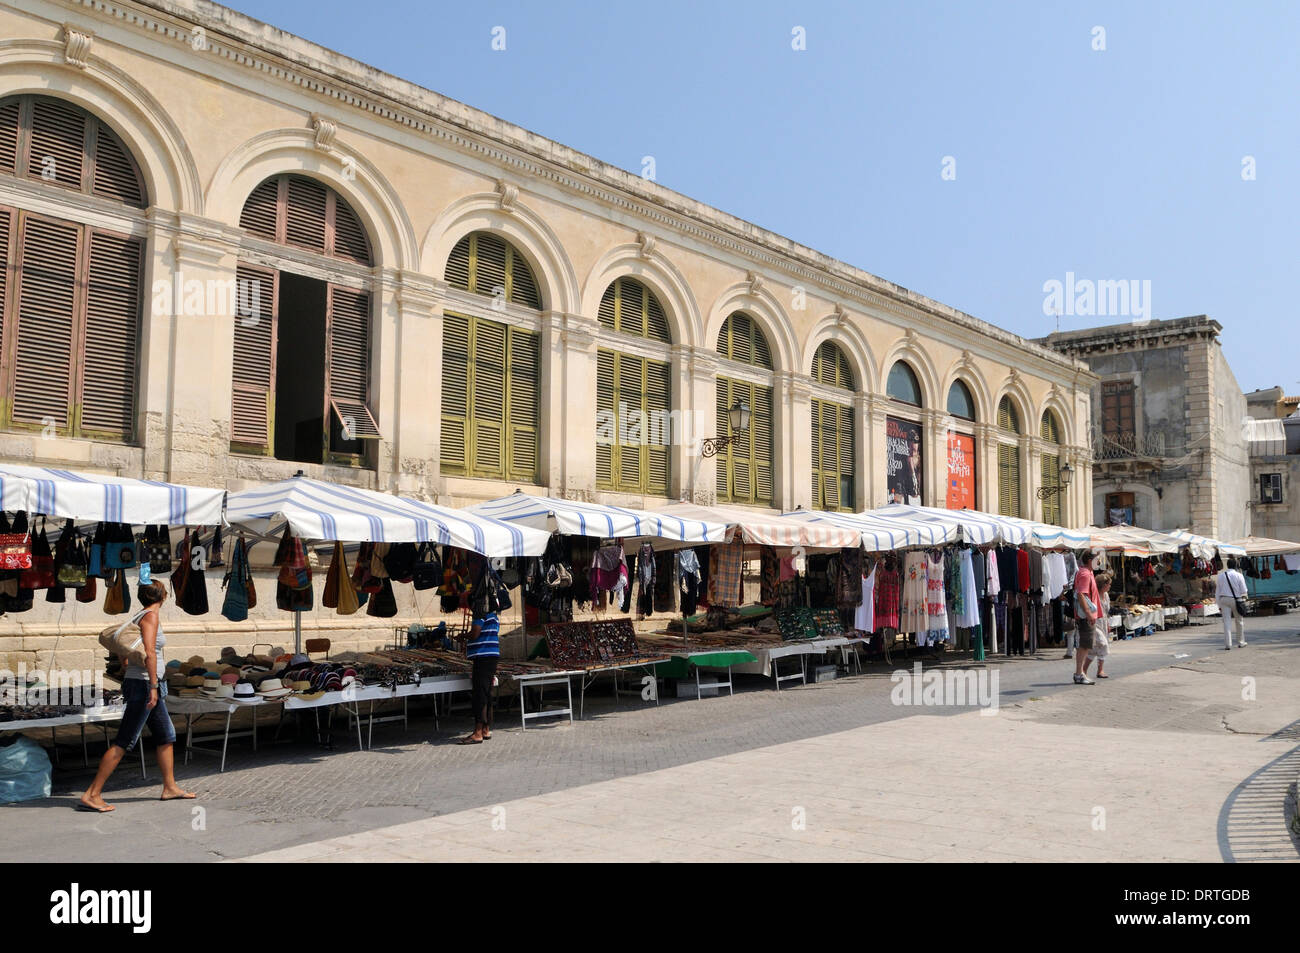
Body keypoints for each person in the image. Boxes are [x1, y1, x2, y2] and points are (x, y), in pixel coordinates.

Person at [79, 581, 196, 811]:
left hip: (141, 681)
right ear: (164, 596)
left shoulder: (137, 616)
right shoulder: (150, 617)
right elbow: (150, 653)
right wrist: (153, 685)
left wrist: (132, 672)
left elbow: (124, 655)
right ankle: (92, 794)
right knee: (125, 739)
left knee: (166, 734)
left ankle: (170, 787)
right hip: (145, 684)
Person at [460, 558, 500, 745]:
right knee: (487, 692)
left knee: (480, 694)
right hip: (491, 656)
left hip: (483, 656)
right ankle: (486, 729)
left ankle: (477, 732)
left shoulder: (480, 612)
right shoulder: (494, 613)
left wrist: (464, 637)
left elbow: (475, 633)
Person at [1072, 551, 1101, 685]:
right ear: (1090, 560)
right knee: (1084, 645)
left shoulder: (1087, 573)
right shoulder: (1085, 574)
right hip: (1085, 616)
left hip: (1086, 615)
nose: (1099, 562)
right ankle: (1079, 674)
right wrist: (1089, 613)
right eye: (1097, 560)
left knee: (1085, 645)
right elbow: (1081, 594)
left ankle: (1080, 673)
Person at [1216, 557, 1249, 650]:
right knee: (1239, 621)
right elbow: (1244, 590)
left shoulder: (1221, 575)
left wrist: (1218, 604)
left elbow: (1217, 591)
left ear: (1227, 565)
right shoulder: (1239, 575)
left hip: (1224, 599)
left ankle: (1228, 644)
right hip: (1236, 600)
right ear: (1236, 565)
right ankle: (1241, 642)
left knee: (1226, 622)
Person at [1083, 572, 1112, 679]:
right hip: (1095, 622)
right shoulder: (1094, 595)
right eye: (1108, 584)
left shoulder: (1106, 596)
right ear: (1104, 585)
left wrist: (1108, 623)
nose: (1109, 587)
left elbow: (1106, 611)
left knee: (1095, 648)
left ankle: (1085, 670)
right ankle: (1100, 670)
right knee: (1103, 644)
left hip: (1103, 622)